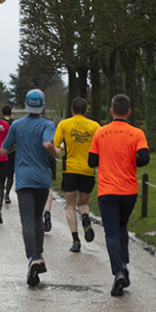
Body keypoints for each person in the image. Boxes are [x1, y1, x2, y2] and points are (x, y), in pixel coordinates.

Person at [88, 94, 150, 296]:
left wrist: (107, 158)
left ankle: (119, 272)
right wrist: (131, 162)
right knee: (122, 226)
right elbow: (144, 158)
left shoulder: (100, 133)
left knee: (112, 231)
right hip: (129, 190)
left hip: (107, 191)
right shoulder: (137, 133)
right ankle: (124, 264)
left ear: (111, 111)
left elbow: (91, 161)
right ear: (129, 112)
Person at [0, 89, 56, 287]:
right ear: (43, 105)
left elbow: (4, 149)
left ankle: (32, 257)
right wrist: (57, 153)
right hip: (42, 179)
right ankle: (38, 254)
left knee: (26, 220)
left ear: (26, 104)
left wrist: (18, 144)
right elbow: (48, 144)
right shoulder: (48, 124)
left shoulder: (16, 125)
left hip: (23, 179)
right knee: (38, 216)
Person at [50, 97, 100, 252]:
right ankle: (85, 218)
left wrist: (64, 147)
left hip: (70, 169)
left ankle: (76, 240)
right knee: (83, 204)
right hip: (88, 170)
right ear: (86, 110)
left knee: (70, 206)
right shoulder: (95, 126)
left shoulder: (64, 124)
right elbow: (99, 146)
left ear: (72, 110)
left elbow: (55, 145)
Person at [2, 105, 16, 205]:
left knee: (1, 172)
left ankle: (1, 190)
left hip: (1, 150)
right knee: (10, 174)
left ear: (1, 113)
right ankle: (7, 194)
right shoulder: (15, 123)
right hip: (12, 151)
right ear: (11, 113)